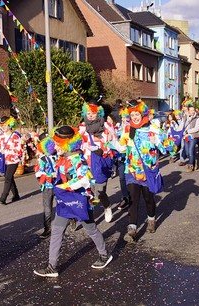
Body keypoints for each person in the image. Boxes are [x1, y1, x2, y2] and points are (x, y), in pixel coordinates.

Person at [33, 125, 112, 278]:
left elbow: (84, 181)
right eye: (54, 143)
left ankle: (104, 255)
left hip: (79, 201)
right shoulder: (62, 158)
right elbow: (56, 175)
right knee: (56, 230)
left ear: (66, 144)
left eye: (57, 144)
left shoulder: (77, 159)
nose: (55, 147)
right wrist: (45, 177)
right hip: (65, 201)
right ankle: (52, 267)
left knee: (91, 229)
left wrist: (65, 186)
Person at [113, 100, 167, 243]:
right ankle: (132, 229)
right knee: (133, 200)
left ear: (142, 113)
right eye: (132, 114)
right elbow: (121, 148)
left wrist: (157, 141)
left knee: (148, 199)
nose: (135, 117)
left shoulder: (153, 128)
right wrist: (110, 141)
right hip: (132, 171)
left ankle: (151, 219)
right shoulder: (127, 129)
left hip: (148, 171)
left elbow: (167, 147)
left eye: (137, 114)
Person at [78, 100, 115, 222]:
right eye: (88, 113)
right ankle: (90, 216)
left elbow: (114, 143)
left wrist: (107, 146)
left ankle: (107, 206)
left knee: (100, 191)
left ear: (98, 113)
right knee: (89, 191)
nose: (90, 115)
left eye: (93, 113)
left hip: (101, 162)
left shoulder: (106, 126)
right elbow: (76, 143)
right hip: (87, 164)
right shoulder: (82, 127)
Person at [0, 116, 23, 205]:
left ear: (10, 125)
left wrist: (6, 151)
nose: (3, 127)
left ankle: (3, 197)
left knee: (8, 178)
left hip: (13, 160)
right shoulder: (0, 136)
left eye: (5, 125)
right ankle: (16, 195)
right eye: (2, 125)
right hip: (4, 160)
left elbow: (19, 150)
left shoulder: (16, 136)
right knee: (9, 177)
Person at [34, 132, 57, 239]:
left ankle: (72, 219)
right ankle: (47, 228)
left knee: (65, 204)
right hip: (47, 186)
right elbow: (38, 174)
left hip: (60, 185)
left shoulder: (59, 155)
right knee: (47, 209)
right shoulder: (42, 159)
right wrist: (50, 175)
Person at [182, 105, 199, 173]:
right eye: (191, 110)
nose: (192, 112)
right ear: (188, 111)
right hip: (185, 136)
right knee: (187, 152)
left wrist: (188, 131)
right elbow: (182, 126)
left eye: (193, 110)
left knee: (190, 151)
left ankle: (190, 165)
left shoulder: (197, 118)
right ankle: (194, 159)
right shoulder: (185, 118)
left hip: (193, 136)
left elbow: (196, 128)